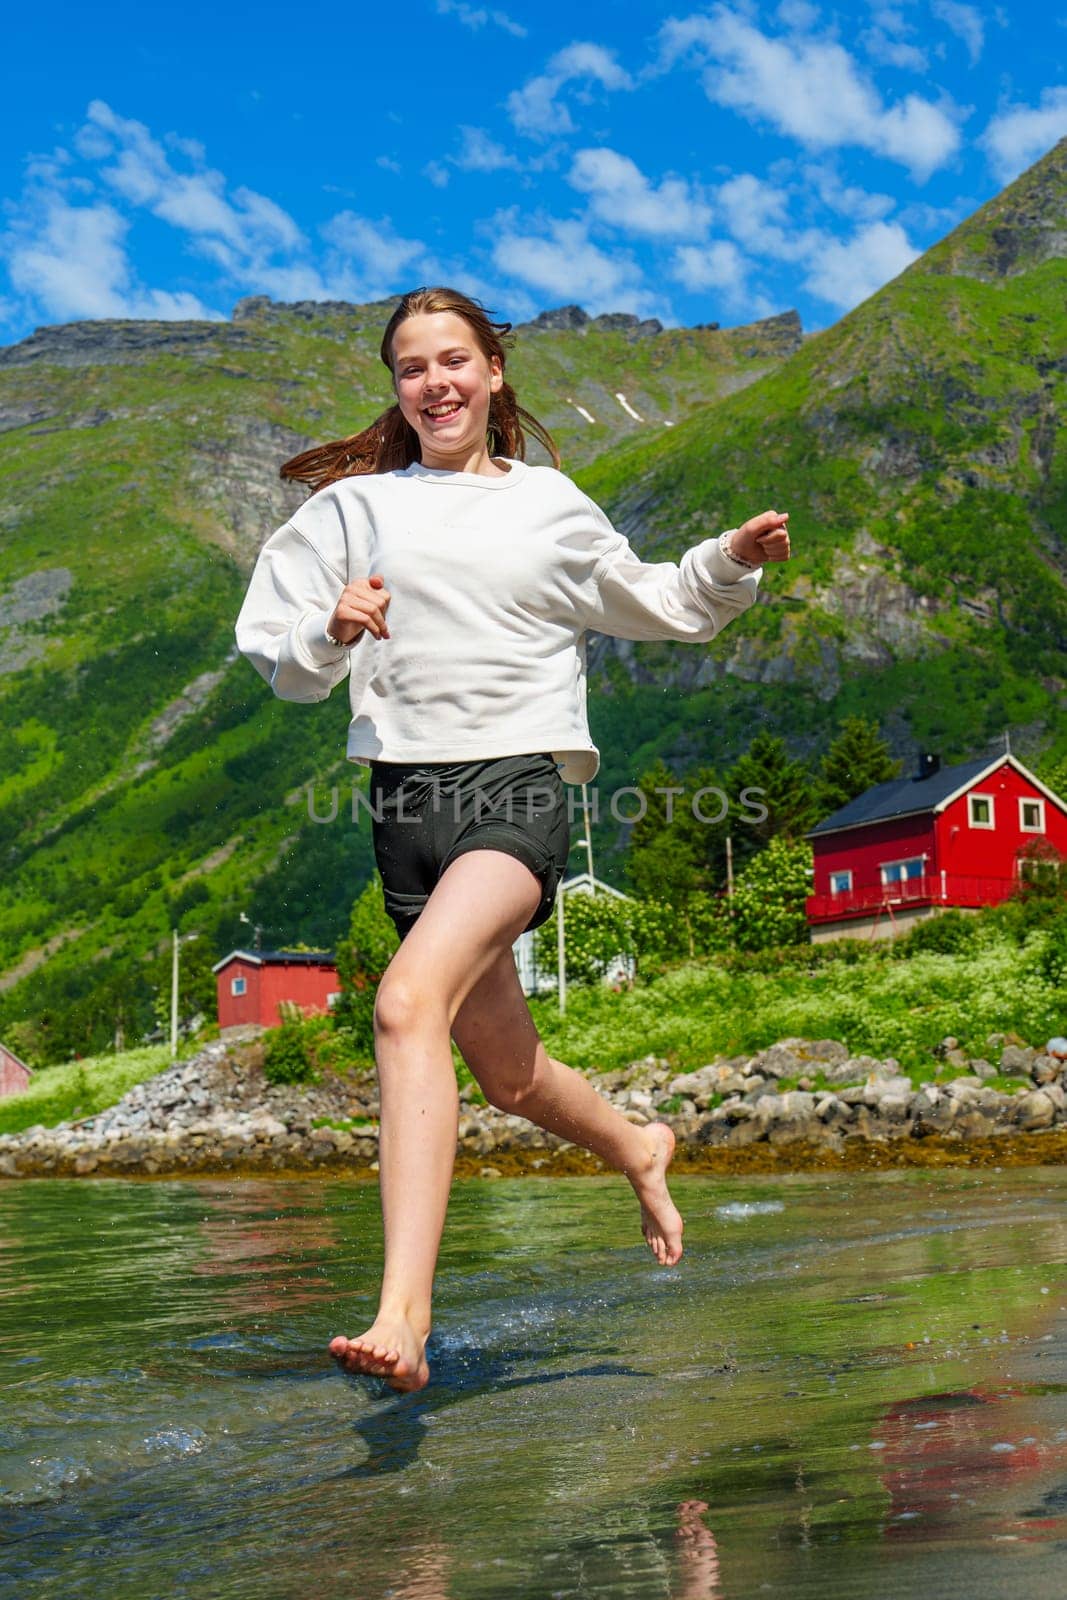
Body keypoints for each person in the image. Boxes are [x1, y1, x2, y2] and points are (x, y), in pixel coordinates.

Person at [235, 286, 791, 1392]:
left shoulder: (547, 504)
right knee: (506, 1074)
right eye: (410, 367)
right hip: (402, 807)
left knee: (404, 1003)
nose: (433, 382)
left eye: (453, 359)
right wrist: (325, 625)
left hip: (517, 790)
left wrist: (725, 558)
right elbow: (276, 652)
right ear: (396, 387)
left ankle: (403, 1316)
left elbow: (653, 598)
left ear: (493, 371)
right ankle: (638, 1145)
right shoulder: (354, 509)